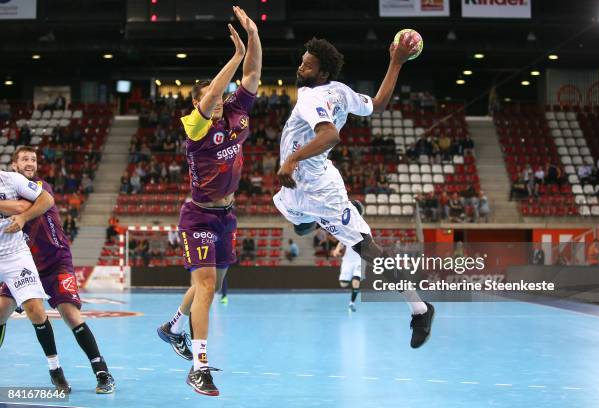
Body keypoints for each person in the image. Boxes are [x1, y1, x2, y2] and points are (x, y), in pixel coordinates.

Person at [273, 36, 434, 349]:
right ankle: (317, 220)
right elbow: (379, 103)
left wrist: (291, 159)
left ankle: (420, 308)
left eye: (307, 65)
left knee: (369, 250)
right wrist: (396, 62)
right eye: (302, 61)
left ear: (321, 74)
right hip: (294, 190)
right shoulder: (342, 92)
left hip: (320, 189)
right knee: (301, 224)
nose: (300, 67)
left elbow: (330, 134)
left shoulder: (311, 97)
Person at [156, 6, 261, 397]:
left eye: (218, 100)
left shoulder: (235, 115)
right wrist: (234, 56)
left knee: (210, 285)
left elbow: (252, 76)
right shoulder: (194, 127)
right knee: (204, 287)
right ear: (198, 104)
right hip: (198, 216)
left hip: (227, 215)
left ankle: (172, 327)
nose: (217, 101)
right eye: (208, 99)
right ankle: (199, 368)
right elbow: (220, 87)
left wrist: (253, 36)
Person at [0, 147, 115, 394]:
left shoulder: (40, 186)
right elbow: (15, 205)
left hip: (55, 261)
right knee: (1, 312)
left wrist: (20, 213)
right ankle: (56, 371)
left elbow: (26, 205)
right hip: (22, 262)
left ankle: (102, 371)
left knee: (70, 315)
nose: (30, 163)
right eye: (24, 159)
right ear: (14, 165)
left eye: (33, 159)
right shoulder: (11, 185)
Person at [0, 165, 70, 393]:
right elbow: (18, 203)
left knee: (36, 310)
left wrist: (22, 214)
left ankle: (55, 370)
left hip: (14, 254)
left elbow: (46, 200)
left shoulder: (11, 179)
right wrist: (11, 206)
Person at [331, 200, 364, 312]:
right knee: (343, 284)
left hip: (359, 259)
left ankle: (352, 303)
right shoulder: (346, 225)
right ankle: (352, 281)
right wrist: (337, 249)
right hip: (348, 259)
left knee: (356, 281)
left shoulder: (363, 226)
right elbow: (342, 240)